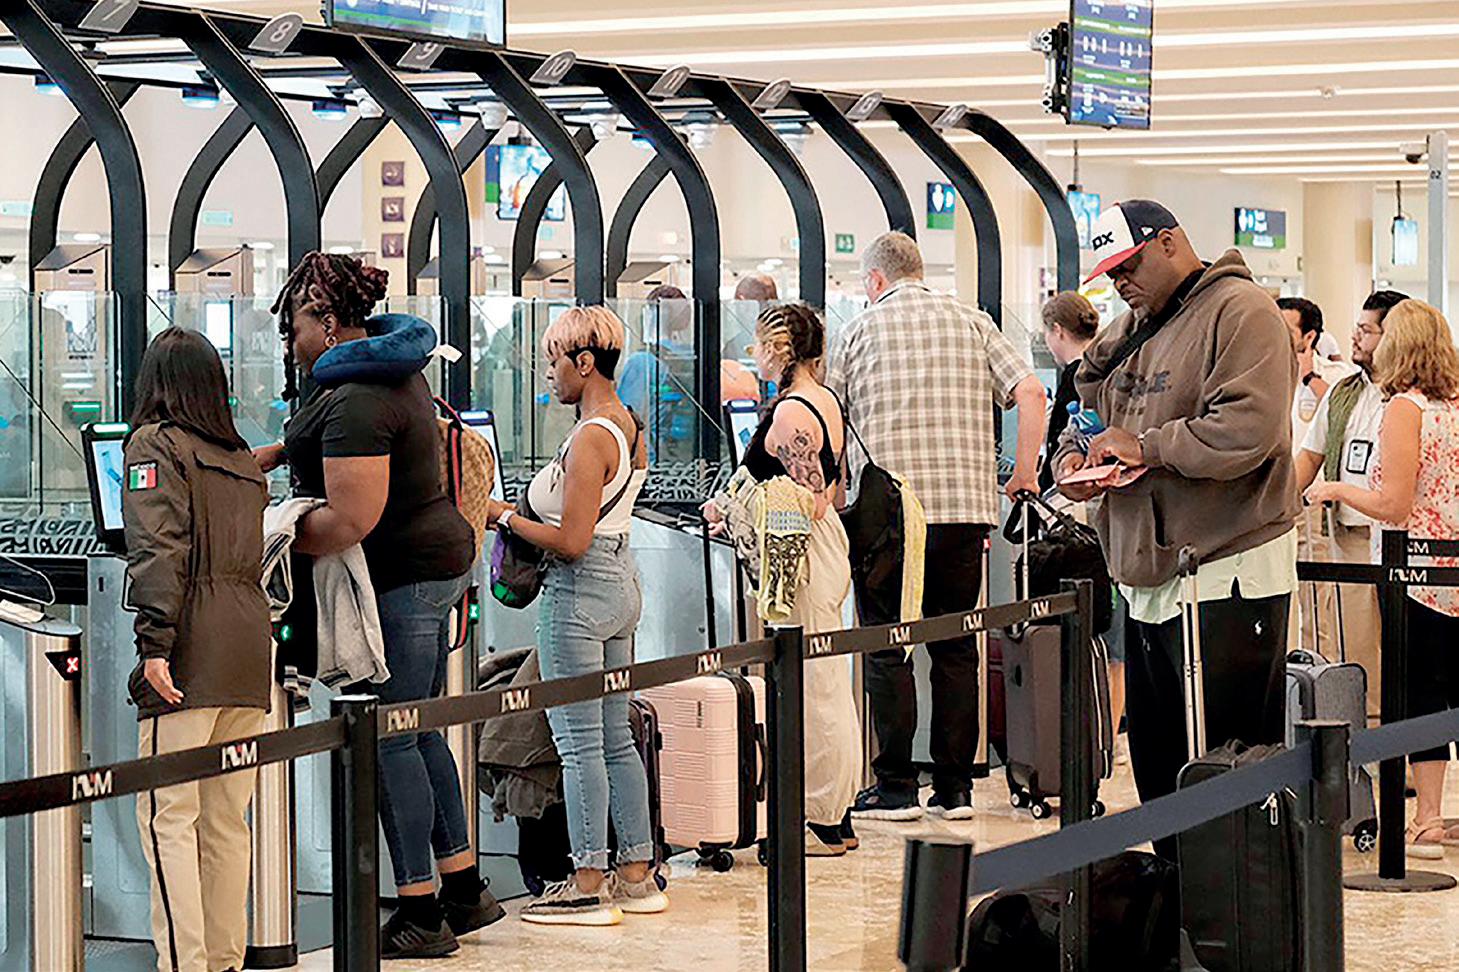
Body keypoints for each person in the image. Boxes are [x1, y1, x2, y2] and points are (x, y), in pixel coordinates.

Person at [259, 252, 500, 958]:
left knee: (391, 736)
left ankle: (420, 910)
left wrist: (270, 536)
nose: (290, 342)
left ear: (328, 323)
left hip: (402, 580)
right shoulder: (395, 371)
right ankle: (464, 889)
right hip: (438, 564)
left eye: (296, 326)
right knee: (420, 731)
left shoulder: (355, 399)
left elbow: (350, 520)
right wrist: (277, 453)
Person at [1055, 201, 1298, 860]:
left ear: (1168, 243)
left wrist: (1146, 447)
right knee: (1159, 760)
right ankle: (1175, 891)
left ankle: (1229, 904)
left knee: (1221, 760)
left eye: (1129, 266)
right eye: (1110, 274)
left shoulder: (1242, 313)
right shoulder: (1130, 327)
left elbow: (1246, 430)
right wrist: (1074, 459)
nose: (1120, 283)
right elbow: (1086, 408)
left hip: (1224, 570)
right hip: (1147, 574)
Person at [828, 231, 1048, 821]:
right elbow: (1031, 391)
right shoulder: (973, 322)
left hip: (889, 519)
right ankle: (954, 790)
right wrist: (1024, 470)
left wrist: (836, 491)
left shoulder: (859, 331)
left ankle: (896, 786)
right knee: (956, 649)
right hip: (963, 514)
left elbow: (830, 419)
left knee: (887, 648)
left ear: (875, 280)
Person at [485, 305, 665, 926]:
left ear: (584, 363)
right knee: (615, 738)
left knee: (579, 742)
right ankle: (637, 873)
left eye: (554, 362)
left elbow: (571, 540)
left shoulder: (591, 437)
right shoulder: (629, 426)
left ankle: (587, 882)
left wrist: (504, 516)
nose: (548, 374)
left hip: (580, 592)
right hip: (621, 584)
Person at [123, 327, 271, 972]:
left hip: (191, 649)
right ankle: (223, 961)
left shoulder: (154, 445)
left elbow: (158, 549)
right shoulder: (240, 458)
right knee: (225, 819)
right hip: (249, 649)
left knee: (167, 815)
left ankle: (184, 965)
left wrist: (155, 643)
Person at [1303, 299, 1459, 858]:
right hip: (1454, 568)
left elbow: (1393, 503)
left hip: (1414, 573)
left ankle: (1427, 819)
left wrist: (1335, 488)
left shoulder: (1405, 409)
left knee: (1419, 693)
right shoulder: (1455, 406)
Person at [707, 303, 862, 855]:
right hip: (820, 550)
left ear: (780, 349)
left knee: (813, 686)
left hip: (802, 554)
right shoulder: (825, 400)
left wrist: (735, 507)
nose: (754, 355)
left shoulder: (794, 411)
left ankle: (819, 818)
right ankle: (835, 812)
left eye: (759, 344)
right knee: (826, 680)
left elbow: (809, 501)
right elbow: (832, 491)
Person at [1294, 290, 1408, 719]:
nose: (1355, 337)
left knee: (1407, 650)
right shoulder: (1343, 392)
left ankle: (1412, 744)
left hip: (1404, 539)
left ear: (1394, 335)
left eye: (1366, 330)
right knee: (1357, 650)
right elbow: (1309, 459)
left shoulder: (1416, 396)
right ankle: (1372, 743)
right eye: (1357, 328)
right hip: (1350, 537)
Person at [1039, 291, 1127, 749]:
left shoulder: (1079, 377)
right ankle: (1106, 736)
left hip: (1085, 521)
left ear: (1057, 331)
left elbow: (1064, 449)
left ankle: (1100, 738)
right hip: (1105, 519)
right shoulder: (1106, 371)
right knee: (1114, 639)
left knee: (1105, 638)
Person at [1278, 296, 1356, 658]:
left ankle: (1319, 667)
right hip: (1275, 497)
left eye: (1286, 327)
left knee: (1317, 594)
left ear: (1309, 337)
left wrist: (1309, 376)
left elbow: (1340, 416)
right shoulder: (1263, 370)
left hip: (1314, 500)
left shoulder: (1338, 377)